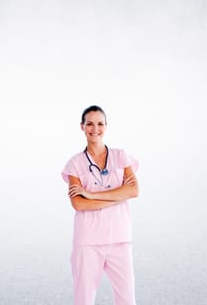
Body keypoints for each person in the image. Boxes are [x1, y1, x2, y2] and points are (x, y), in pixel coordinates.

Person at [61, 105, 139, 305]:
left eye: (100, 123)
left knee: (127, 299)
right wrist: (117, 195)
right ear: (82, 126)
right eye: (89, 123)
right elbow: (78, 204)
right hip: (88, 242)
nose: (95, 128)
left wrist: (91, 194)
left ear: (106, 126)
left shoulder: (121, 156)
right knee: (84, 299)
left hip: (119, 239)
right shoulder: (75, 164)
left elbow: (133, 191)